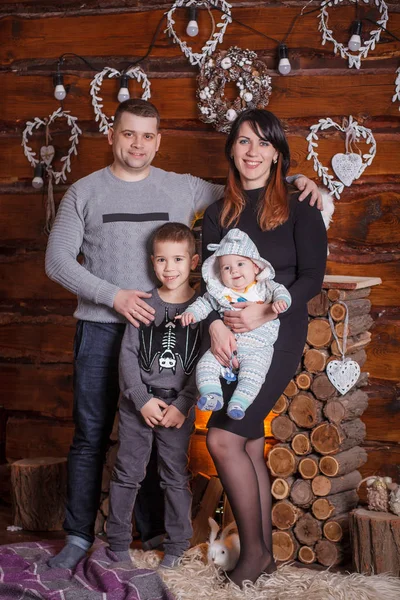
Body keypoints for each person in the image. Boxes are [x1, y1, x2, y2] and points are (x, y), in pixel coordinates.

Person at [44, 97, 322, 569]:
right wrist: (116, 297)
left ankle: (160, 537)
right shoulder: (84, 192)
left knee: (169, 431)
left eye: (147, 135)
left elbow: (252, 188)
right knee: (93, 436)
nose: (138, 143)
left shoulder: (185, 187)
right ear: (112, 136)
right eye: (128, 133)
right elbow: (56, 261)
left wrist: (299, 179)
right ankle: (77, 536)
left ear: (158, 141)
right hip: (103, 325)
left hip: (173, 331)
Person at [200, 109, 328, 587]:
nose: (251, 152)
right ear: (232, 150)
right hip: (228, 339)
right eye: (242, 142)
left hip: (277, 335)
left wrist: (265, 311)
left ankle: (252, 556)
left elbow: (312, 276)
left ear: (277, 152)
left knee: (222, 437)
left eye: (262, 143)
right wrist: (215, 325)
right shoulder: (218, 213)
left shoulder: (300, 207)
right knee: (248, 440)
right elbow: (206, 282)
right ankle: (265, 557)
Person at [106, 222, 200, 569]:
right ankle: (116, 541)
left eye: (177, 259)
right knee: (127, 472)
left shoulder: (202, 312)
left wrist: (183, 405)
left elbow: (203, 365)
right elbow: (127, 356)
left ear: (193, 262)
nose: (169, 268)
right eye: (161, 260)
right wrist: (139, 397)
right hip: (137, 404)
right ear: (152, 262)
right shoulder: (144, 305)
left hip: (177, 407)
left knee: (175, 475)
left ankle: (176, 545)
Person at [178, 228, 291, 420]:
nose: (234, 271)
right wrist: (191, 314)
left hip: (258, 348)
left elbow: (282, 292)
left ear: (255, 267)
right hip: (226, 347)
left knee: (254, 375)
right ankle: (212, 394)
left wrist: (280, 302)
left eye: (240, 264)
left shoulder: (264, 287)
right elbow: (204, 304)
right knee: (205, 365)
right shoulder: (221, 292)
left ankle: (239, 403)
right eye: (226, 268)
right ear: (220, 274)